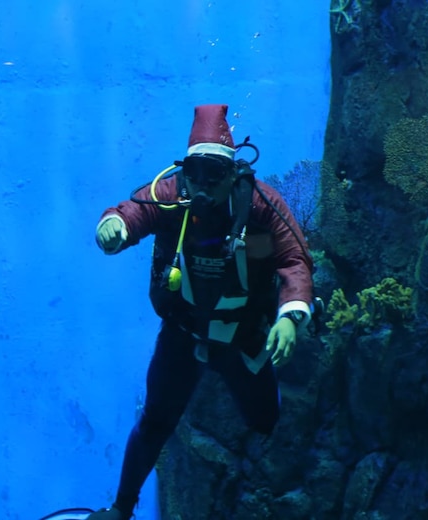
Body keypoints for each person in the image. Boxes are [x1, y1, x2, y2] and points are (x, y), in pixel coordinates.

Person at [88, 104, 314, 520]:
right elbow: (133, 211)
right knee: (155, 422)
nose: (204, 185)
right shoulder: (171, 195)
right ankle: (120, 510)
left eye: (216, 174)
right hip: (183, 331)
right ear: (183, 170)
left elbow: (294, 259)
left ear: (234, 173)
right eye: (195, 172)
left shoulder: (261, 204)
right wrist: (114, 225)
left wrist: (290, 315)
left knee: (267, 421)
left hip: (243, 335)